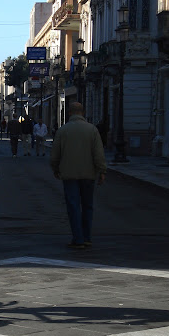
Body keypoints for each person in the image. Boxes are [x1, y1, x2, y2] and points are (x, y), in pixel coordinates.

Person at [50, 102, 106, 249]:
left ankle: (78, 238)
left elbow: (55, 154)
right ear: (83, 112)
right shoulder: (92, 130)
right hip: (89, 174)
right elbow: (99, 154)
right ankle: (87, 237)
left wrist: (55, 168)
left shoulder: (63, 130)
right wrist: (102, 171)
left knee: (73, 206)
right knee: (88, 206)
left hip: (69, 174)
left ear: (69, 113)